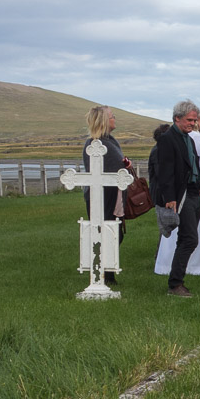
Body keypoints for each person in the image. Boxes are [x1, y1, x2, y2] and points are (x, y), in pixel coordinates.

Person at [152, 100, 200, 297]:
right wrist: (170, 197)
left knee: (187, 239)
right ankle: (175, 284)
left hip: (194, 193)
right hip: (181, 196)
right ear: (177, 118)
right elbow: (165, 171)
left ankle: (176, 282)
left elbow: (194, 166)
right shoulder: (168, 139)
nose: (193, 124)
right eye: (189, 120)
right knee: (189, 239)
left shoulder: (189, 139)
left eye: (194, 120)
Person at [82, 106, 131, 283]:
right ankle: (103, 274)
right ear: (103, 120)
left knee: (114, 232)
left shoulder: (109, 141)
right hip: (102, 195)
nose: (114, 118)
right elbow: (108, 170)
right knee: (105, 232)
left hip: (112, 193)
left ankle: (107, 272)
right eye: (112, 116)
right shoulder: (96, 144)